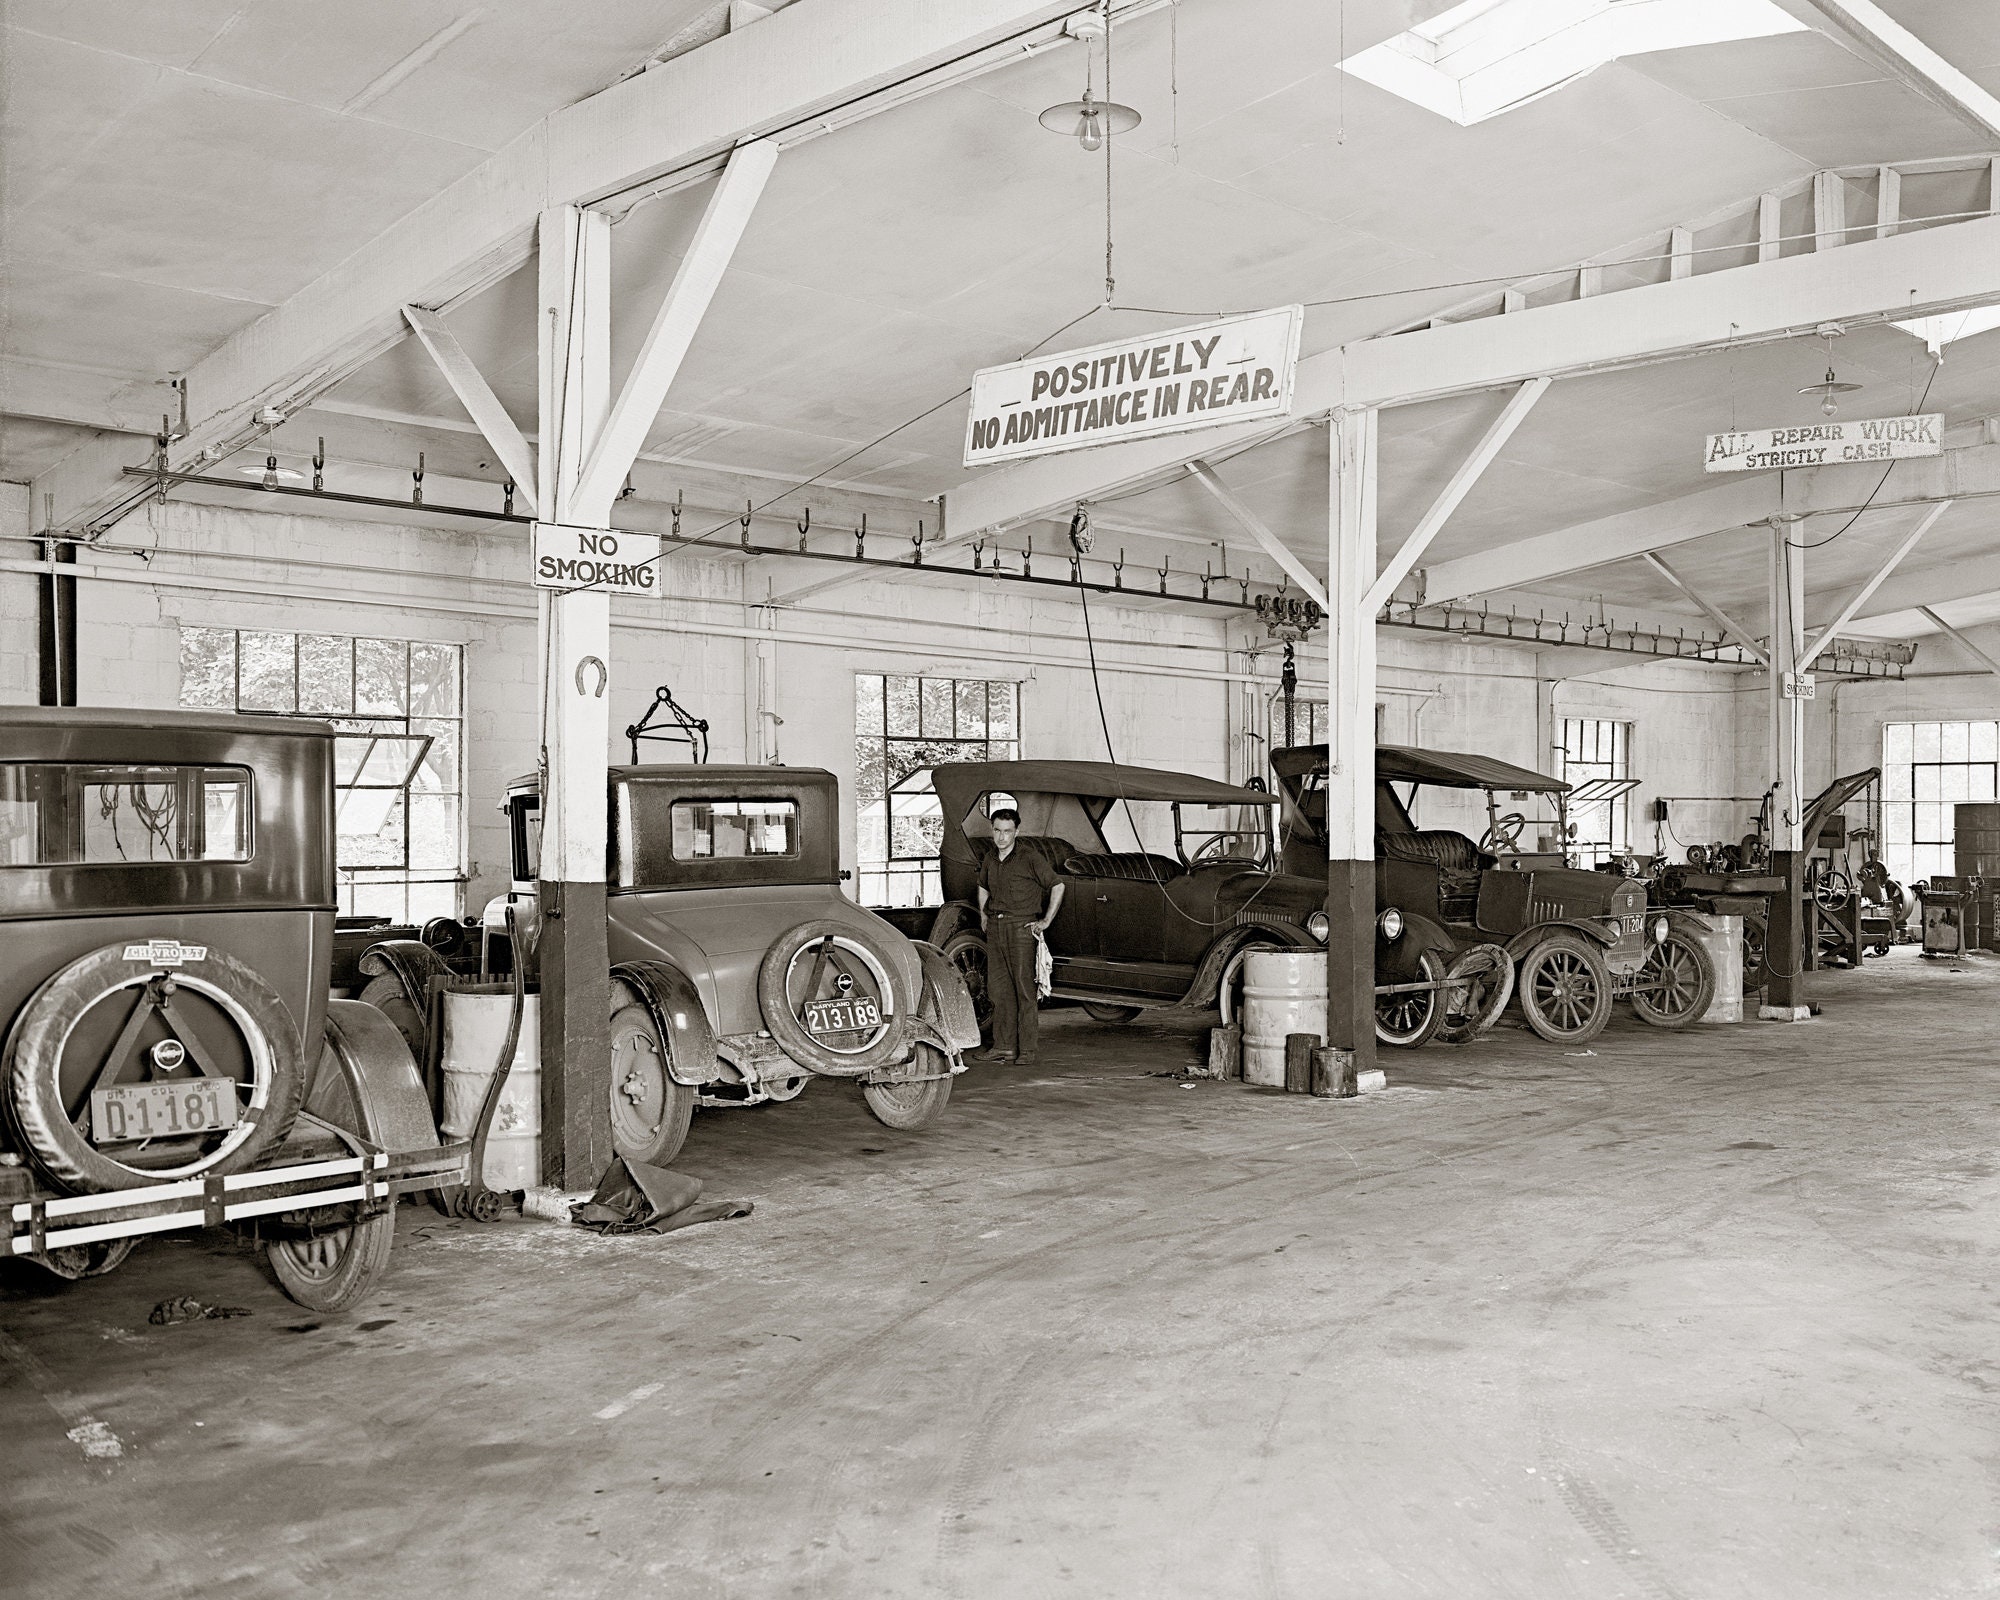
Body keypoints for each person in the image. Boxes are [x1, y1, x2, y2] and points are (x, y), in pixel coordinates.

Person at [974, 808, 1065, 1064]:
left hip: (1022, 929)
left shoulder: (1030, 858)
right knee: (999, 990)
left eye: (1007, 831)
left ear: (1017, 832)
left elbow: (1058, 885)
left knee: (1024, 990)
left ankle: (1027, 1050)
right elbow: (982, 886)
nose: (1001, 837)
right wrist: (983, 915)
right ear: (992, 830)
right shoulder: (990, 858)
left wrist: (1046, 921)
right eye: (997, 831)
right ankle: (1004, 1047)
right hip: (996, 927)